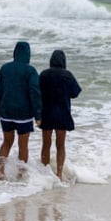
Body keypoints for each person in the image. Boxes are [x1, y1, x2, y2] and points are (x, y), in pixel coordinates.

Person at [0, 41, 42, 180]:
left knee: (7, 142)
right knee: (23, 145)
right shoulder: (30, 71)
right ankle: (21, 173)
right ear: (28, 54)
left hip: (6, 112)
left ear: (15, 53)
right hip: (23, 114)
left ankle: (0, 171)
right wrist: (38, 114)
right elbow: (35, 93)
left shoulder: (4, 68)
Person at [39, 49, 81, 180]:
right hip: (62, 113)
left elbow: (37, 91)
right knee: (60, 145)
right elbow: (75, 93)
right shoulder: (67, 75)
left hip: (46, 113)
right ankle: (59, 173)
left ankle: (45, 172)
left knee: (46, 144)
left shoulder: (44, 74)